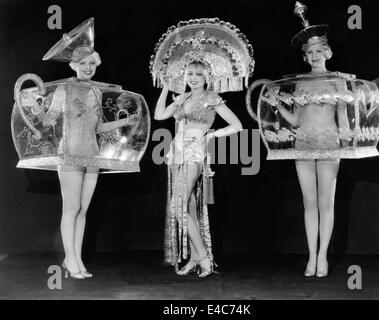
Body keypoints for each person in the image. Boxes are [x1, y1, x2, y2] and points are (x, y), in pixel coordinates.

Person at [150, 18, 254, 277]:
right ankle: (197, 257)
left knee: (178, 207)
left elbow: (237, 125)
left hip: (194, 152)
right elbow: (160, 116)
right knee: (186, 207)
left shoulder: (211, 98)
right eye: (190, 74)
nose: (193, 78)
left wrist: (211, 135)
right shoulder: (182, 97)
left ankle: (205, 258)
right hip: (176, 152)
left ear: (207, 76)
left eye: (198, 74)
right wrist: (166, 87)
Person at [42, 21, 139, 279]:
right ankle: (70, 260)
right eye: (83, 63)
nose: (88, 67)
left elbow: (97, 127)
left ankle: (76, 259)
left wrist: (124, 122)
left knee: (83, 210)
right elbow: (49, 120)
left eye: (92, 64)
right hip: (70, 154)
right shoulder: (63, 89)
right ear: (73, 65)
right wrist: (36, 108)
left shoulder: (96, 91)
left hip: (92, 154)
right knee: (71, 209)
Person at [263, 3, 349, 277]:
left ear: (328, 52)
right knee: (309, 203)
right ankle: (311, 256)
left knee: (327, 203)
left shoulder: (339, 81)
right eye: (309, 52)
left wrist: (349, 142)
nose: (314, 55)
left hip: (329, 145)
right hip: (302, 144)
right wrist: (277, 103)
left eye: (319, 50)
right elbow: (297, 120)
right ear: (304, 57)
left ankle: (323, 257)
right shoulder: (300, 83)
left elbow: (344, 120)